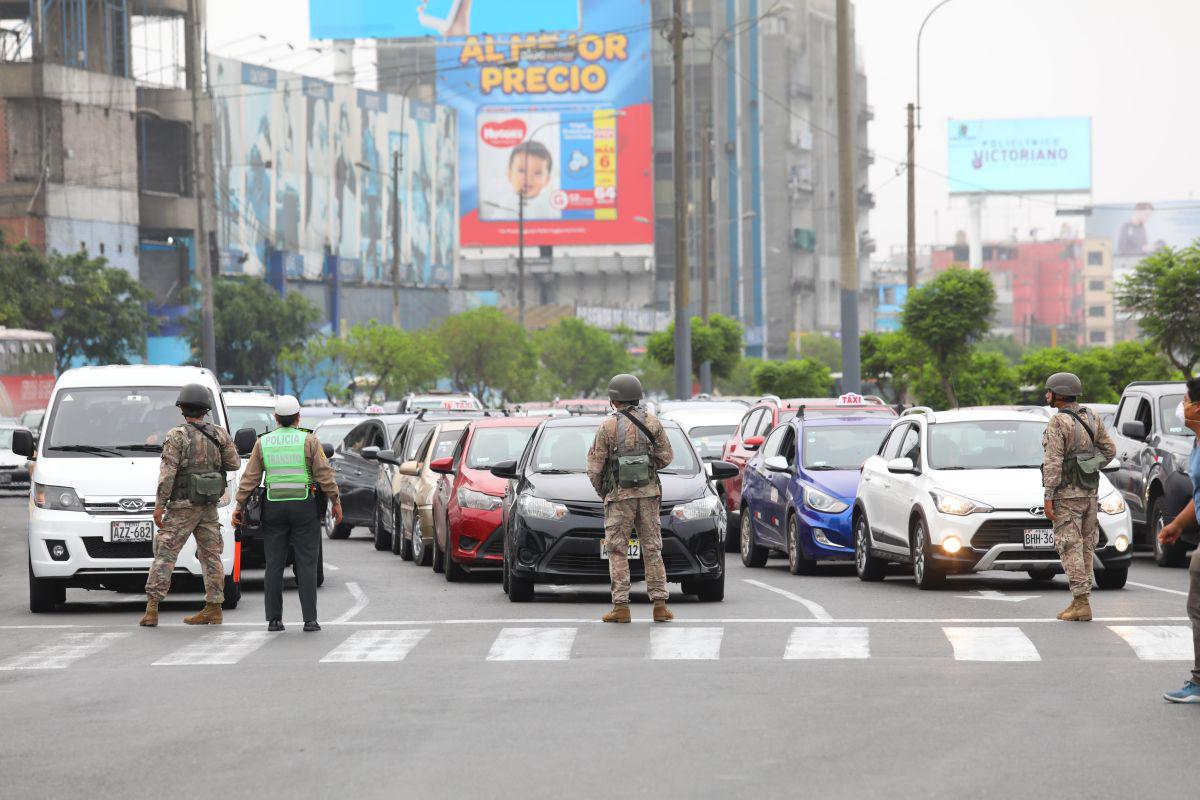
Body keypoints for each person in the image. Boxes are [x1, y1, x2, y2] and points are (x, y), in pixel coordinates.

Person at [233, 395, 342, 632]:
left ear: (275, 418)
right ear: (298, 417)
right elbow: (324, 474)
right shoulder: (309, 440)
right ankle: (310, 620)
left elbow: (250, 478)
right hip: (303, 506)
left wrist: (239, 506)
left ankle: (274, 620)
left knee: (274, 564)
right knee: (306, 563)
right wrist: (335, 501)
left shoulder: (263, 442)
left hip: (274, 507)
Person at [140, 384, 240, 627]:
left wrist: (158, 506)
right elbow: (234, 463)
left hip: (182, 507)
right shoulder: (219, 434)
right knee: (211, 556)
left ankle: (152, 609)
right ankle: (214, 608)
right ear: (206, 409)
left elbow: (167, 474)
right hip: (208, 506)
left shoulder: (176, 436)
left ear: (182, 408)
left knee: (165, 555)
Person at [586, 374, 674, 624]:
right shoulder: (653, 422)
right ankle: (659, 605)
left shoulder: (607, 427)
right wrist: (647, 468)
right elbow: (666, 456)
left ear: (614, 400)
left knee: (617, 550)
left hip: (618, 498)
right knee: (652, 548)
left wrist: (605, 491)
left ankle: (621, 607)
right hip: (648, 495)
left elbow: (594, 466)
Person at [1041, 372, 1116, 622]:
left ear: (1059, 394)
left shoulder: (1058, 422)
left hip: (1066, 496)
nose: (1047, 395)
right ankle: (1080, 602)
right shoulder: (1092, 416)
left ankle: (1081, 601)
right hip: (1090, 494)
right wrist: (1090, 465)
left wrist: (1048, 495)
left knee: (1069, 546)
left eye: (1049, 391)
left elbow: (1053, 461)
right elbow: (1110, 450)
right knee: (1085, 546)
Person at [1158, 377, 1200, 703]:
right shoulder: (1197, 441)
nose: (1181, 407)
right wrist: (1175, 525)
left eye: (1185, 400)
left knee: (1197, 605)